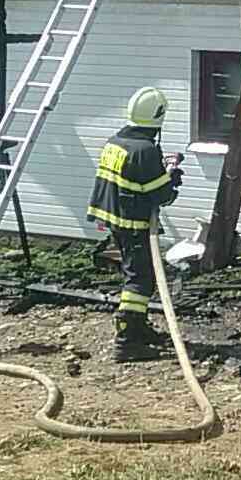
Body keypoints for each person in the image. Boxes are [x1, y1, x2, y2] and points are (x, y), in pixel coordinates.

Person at [86, 87, 184, 362]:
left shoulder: (116, 142)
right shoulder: (145, 150)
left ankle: (138, 329)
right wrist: (171, 178)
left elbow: (136, 181)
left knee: (137, 273)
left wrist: (162, 174)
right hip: (133, 223)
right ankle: (127, 341)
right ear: (158, 118)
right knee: (140, 279)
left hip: (115, 219)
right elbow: (161, 195)